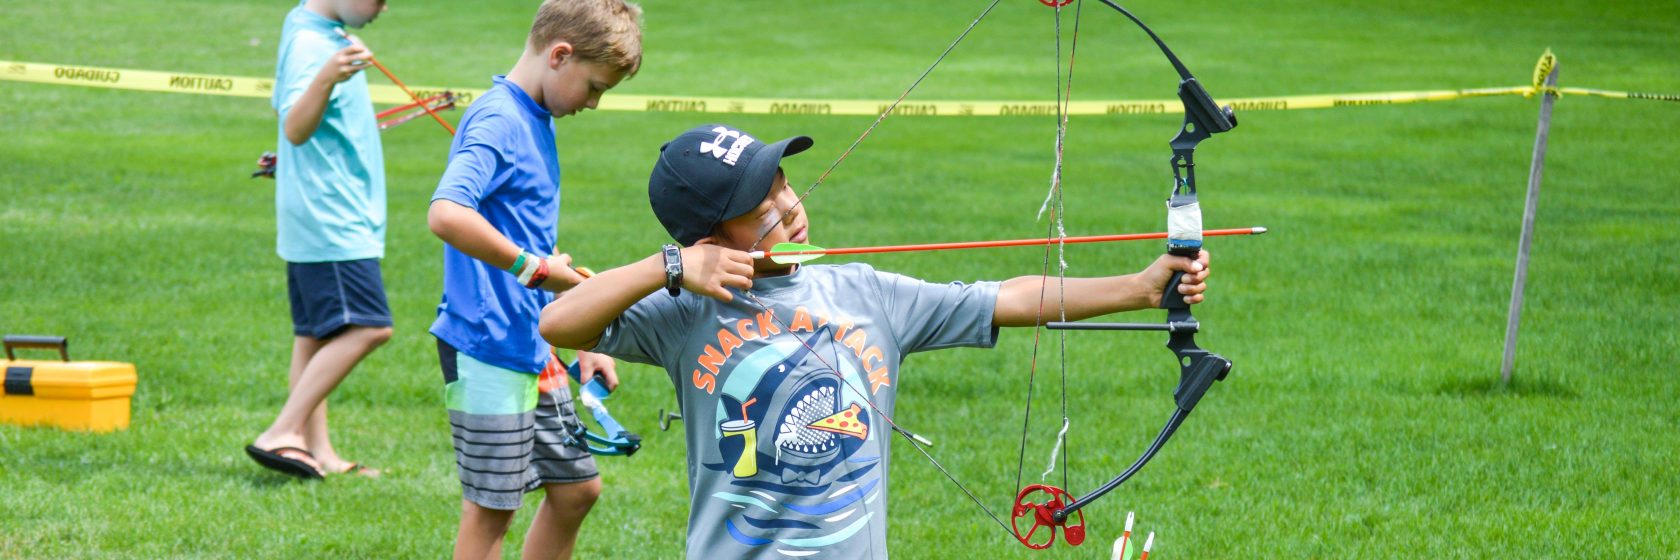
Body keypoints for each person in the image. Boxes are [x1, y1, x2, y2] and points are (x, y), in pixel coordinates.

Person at [537, 123, 1213, 559]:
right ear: (709, 241)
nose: (789, 209)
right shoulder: (684, 311)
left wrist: (1142, 287)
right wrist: (671, 268)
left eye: (784, 188)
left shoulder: (864, 292)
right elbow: (560, 325)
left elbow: (1005, 297)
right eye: (760, 210)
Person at [425, 1, 642, 557]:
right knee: (492, 512)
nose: (593, 103)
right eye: (594, 87)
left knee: (575, 489)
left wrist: (581, 333)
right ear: (559, 55)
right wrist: (533, 266)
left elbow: (530, 242)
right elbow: (447, 213)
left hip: (530, 341)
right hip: (487, 344)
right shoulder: (501, 118)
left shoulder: (534, 118)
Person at [246, 0, 393, 481]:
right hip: (331, 215)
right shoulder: (314, 44)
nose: (383, 7)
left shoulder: (309, 24)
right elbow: (294, 126)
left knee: (315, 334)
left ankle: (318, 450)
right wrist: (327, 75)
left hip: (320, 209)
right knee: (370, 326)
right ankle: (282, 431)